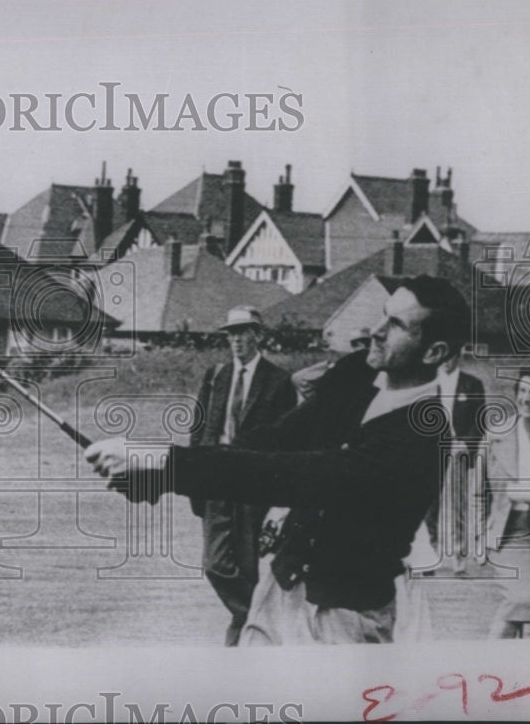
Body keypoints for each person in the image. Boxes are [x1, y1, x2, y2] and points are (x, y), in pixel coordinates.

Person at [87, 275, 468, 646]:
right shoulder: (358, 373)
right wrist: (156, 476)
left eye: (397, 324)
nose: (378, 330)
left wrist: (163, 462)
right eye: (384, 314)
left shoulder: (422, 437)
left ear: (435, 352)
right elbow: (276, 441)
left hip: (345, 620)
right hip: (280, 589)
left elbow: (296, 476)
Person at [188, 306, 296, 645]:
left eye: (243, 332)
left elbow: (287, 442)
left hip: (253, 482)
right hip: (216, 477)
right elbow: (198, 430)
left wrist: (280, 496)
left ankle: (242, 640)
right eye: (231, 334)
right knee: (214, 563)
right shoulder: (215, 376)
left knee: (247, 566)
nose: (236, 340)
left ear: (258, 336)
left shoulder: (278, 381)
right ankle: (256, 620)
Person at [484, 367, 530, 638]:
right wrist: (477, 534)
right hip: (511, 533)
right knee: (525, 599)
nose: (528, 398)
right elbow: (476, 490)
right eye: (524, 390)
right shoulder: (498, 434)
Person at [424, 354, 486, 573]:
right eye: (442, 358)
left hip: (458, 450)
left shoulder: (471, 384)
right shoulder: (427, 382)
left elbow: (480, 421)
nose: (445, 362)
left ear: (458, 357)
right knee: (429, 506)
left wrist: (466, 444)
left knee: (457, 506)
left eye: (450, 357)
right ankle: (431, 556)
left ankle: (459, 558)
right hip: (431, 451)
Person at [291, 327, 369, 403]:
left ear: (359, 345)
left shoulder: (348, 362)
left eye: (353, 344)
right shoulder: (371, 365)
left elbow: (299, 379)